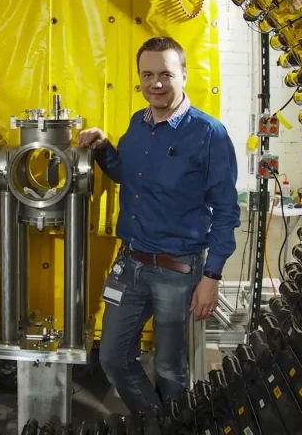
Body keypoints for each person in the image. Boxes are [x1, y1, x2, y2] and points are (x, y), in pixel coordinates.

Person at [77, 36, 240, 414]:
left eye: (166, 73)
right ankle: (157, 422)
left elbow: (226, 211)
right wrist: (103, 147)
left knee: (170, 368)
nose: (156, 83)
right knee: (113, 358)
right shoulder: (138, 123)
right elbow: (126, 175)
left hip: (178, 270)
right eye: (147, 75)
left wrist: (211, 277)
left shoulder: (209, 133)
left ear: (184, 74)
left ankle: (168, 424)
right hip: (130, 263)